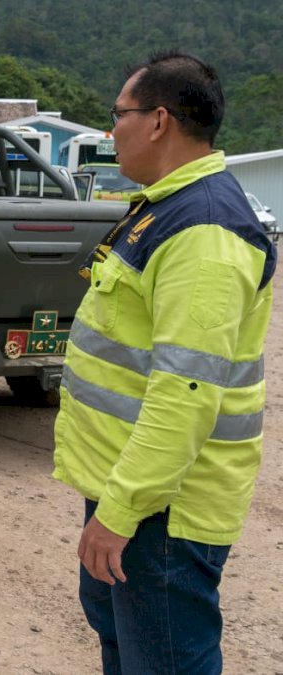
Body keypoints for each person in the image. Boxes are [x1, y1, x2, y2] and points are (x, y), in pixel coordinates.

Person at [54, 51, 273, 674]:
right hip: (132, 490)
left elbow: (186, 394)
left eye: (116, 115)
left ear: (157, 121)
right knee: (127, 647)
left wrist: (120, 512)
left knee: (166, 661)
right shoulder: (163, 207)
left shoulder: (204, 228)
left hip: (163, 510)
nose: (108, 130)